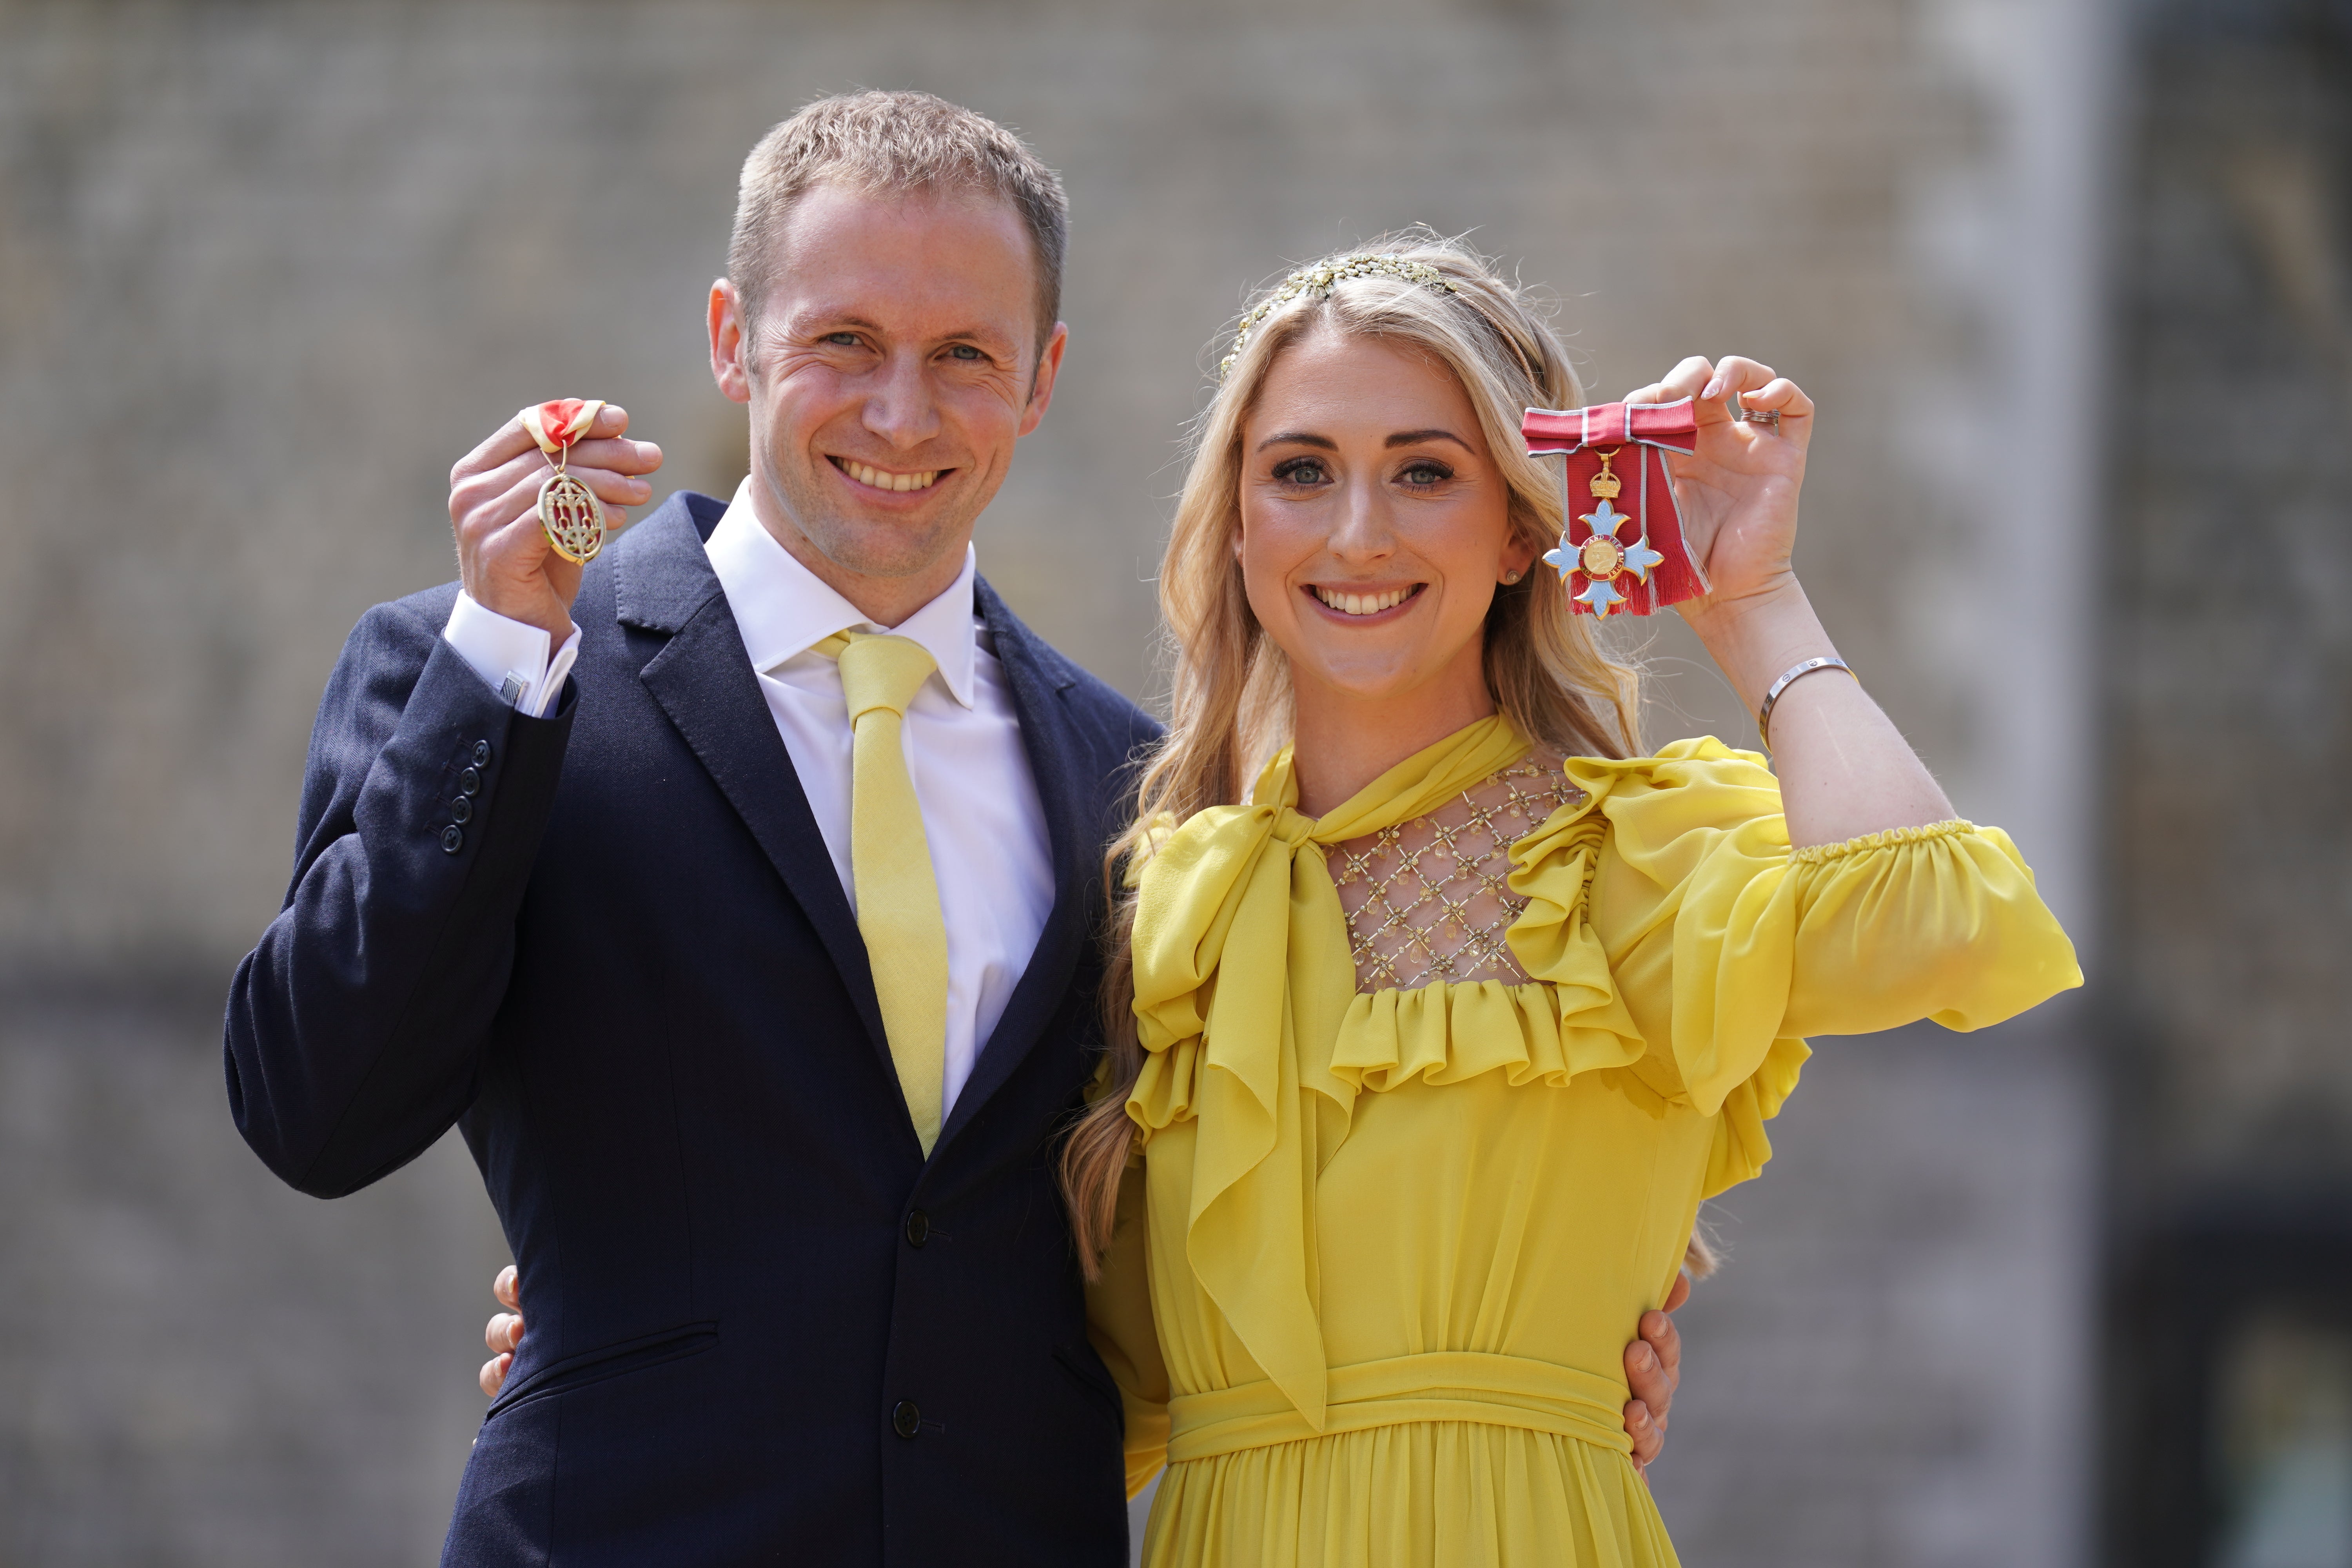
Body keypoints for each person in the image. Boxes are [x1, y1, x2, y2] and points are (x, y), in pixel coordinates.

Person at [225, 93, 1685, 1565]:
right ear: (733, 335)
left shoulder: (1146, 788)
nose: (902, 414)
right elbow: (319, 1112)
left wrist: (1576, 1340)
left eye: (965, 358)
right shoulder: (488, 672)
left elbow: (1235, 1190)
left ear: (1043, 377)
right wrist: (501, 658)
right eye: (844, 343)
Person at [1054, 236, 2084, 1566]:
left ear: (1522, 528)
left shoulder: (1628, 856)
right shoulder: (1165, 906)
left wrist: (1752, 600)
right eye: (1301, 471)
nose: (1357, 531)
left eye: (1425, 472)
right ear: (1239, 522)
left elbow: (1940, 926)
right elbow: (1075, 1394)